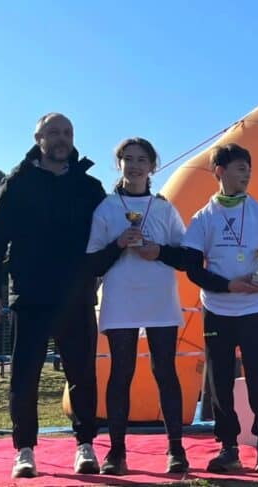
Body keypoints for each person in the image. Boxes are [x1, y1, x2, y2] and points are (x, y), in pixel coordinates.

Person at [0, 113, 105, 478]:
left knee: (82, 374)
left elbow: (110, 233)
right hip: (31, 296)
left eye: (67, 132)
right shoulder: (16, 182)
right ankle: (25, 451)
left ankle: (85, 446)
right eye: (53, 132)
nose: (61, 138)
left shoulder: (89, 186)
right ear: (39, 139)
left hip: (76, 295)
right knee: (24, 377)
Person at [85, 138, 189, 475]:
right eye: (128, 159)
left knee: (165, 371)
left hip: (159, 297)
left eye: (141, 160)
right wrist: (119, 244)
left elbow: (186, 256)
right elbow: (93, 263)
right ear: (119, 164)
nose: (134, 166)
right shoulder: (106, 208)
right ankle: (116, 452)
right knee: (121, 372)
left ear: (152, 166)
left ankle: (176, 448)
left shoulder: (163, 208)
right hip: (121, 297)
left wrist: (158, 251)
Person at [181, 143, 258, 474]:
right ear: (220, 172)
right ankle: (228, 447)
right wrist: (227, 285)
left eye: (249, 169)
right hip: (217, 309)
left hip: (253, 308)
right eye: (240, 168)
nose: (247, 174)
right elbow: (192, 268)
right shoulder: (203, 217)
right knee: (220, 379)